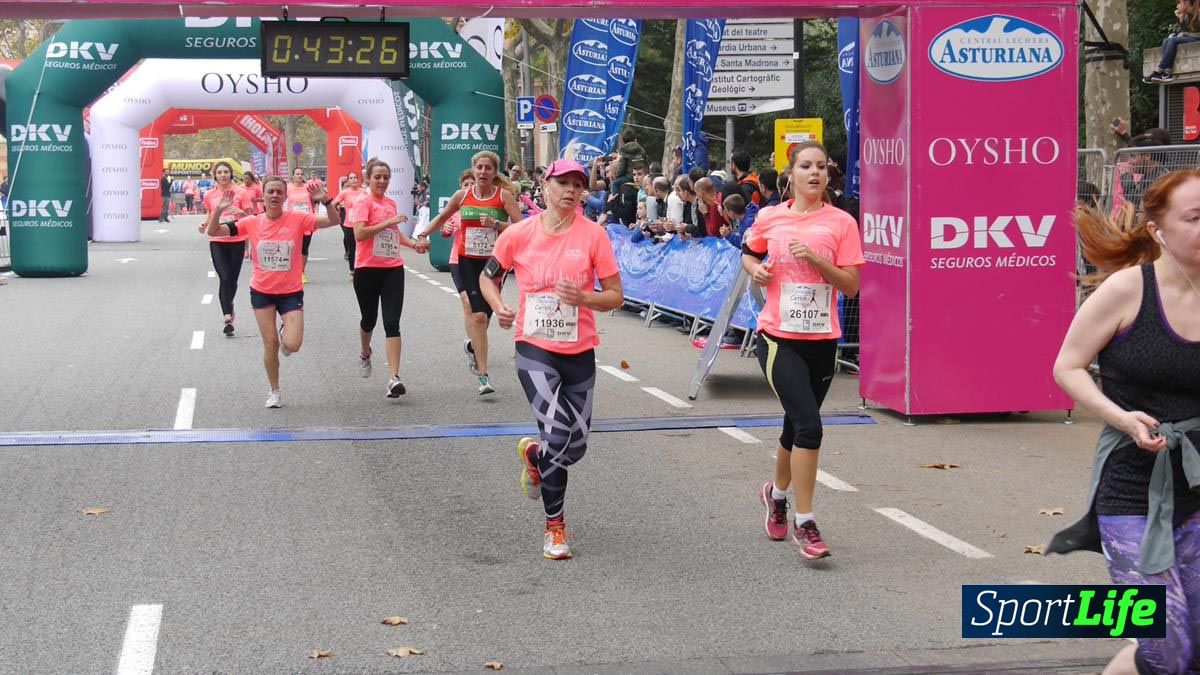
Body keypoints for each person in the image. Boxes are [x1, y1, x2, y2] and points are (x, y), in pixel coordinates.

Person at [1047, 169, 1200, 675]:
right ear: (1158, 230)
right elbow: (1067, 365)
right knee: (1166, 647)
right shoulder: (1127, 290)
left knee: (1191, 649)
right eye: (1195, 217)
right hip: (1133, 493)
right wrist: (1122, 418)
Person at [479, 158, 624, 560]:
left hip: (579, 350)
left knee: (573, 448)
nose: (571, 191)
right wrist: (499, 305)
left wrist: (585, 298)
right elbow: (488, 275)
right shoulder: (519, 234)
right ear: (546, 186)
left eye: (578, 185)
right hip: (534, 346)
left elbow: (616, 295)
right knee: (558, 437)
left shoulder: (594, 236)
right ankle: (555, 528)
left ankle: (532, 455)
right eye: (563, 183)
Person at [742, 141, 865, 560]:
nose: (814, 173)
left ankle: (776, 495)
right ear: (790, 174)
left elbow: (851, 286)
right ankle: (806, 522)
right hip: (778, 338)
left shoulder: (842, 223)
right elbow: (749, 255)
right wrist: (756, 270)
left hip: (823, 341)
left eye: (821, 167)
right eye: (806, 166)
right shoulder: (770, 217)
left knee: (796, 427)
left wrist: (816, 259)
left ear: (828, 176)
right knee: (810, 426)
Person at [205, 175, 341, 408]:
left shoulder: (298, 219)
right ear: (264, 196)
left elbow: (333, 221)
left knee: (292, 345)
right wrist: (219, 210)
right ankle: (274, 391)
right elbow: (214, 231)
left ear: (285, 196)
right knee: (270, 344)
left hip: (290, 292)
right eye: (271, 192)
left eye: (279, 192)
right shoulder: (251, 222)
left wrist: (326, 201)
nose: (275, 195)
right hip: (262, 291)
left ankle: (286, 331)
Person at [417, 150, 523, 396]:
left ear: (495, 172)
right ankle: (483, 375)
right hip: (466, 260)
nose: (483, 172)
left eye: (488, 168)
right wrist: (422, 235)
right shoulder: (462, 196)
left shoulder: (503, 196)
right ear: (473, 171)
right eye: (479, 168)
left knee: (486, 315)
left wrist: (496, 224)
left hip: (494, 262)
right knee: (478, 317)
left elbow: (521, 227)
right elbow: (442, 217)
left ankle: (475, 346)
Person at [347, 158, 430, 398]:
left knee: (392, 323)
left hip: (393, 268)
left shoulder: (391, 203)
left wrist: (414, 245)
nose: (382, 181)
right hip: (367, 269)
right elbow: (360, 234)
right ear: (368, 179)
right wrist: (388, 222)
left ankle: (394, 378)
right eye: (377, 177)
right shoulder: (363, 202)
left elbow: (393, 234)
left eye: (386, 177)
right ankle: (365, 353)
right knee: (369, 320)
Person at [199, 161, 254, 336]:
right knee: (224, 276)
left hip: (236, 238)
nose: (223, 175)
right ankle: (227, 316)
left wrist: (242, 215)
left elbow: (249, 215)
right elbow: (209, 212)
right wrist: (205, 224)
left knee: (232, 279)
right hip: (217, 239)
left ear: (231, 174)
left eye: (226, 172)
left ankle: (229, 306)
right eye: (219, 172)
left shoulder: (241, 192)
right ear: (215, 176)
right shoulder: (209, 194)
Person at [1145, 0, 1200, 84]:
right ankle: (1167, 72)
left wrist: (1186, 34)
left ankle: (1159, 70)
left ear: (1187, 3)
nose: (1177, 6)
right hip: (1193, 39)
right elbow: (1183, 33)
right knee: (1166, 40)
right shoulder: (1186, 16)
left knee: (1173, 40)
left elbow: (1185, 34)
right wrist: (1181, 20)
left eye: (1179, 3)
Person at [331, 170, 365, 275]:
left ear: (358, 180)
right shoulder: (345, 193)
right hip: (349, 224)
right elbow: (333, 204)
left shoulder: (364, 192)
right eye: (351, 178)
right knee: (352, 248)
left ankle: (361, 268)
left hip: (362, 223)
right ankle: (352, 270)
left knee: (363, 248)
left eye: (355, 178)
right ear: (348, 182)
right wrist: (334, 213)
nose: (354, 180)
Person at [287, 167, 317, 284]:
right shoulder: (288, 188)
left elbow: (314, 200)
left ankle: (302, 272)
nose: (299, 176)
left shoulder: (307, 188)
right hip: (292, 221)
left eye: (301, 174)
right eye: (297, 174)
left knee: (304, 248)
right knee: (293, 247)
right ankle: (292, 271)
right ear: (293, 176)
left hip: (306, 221)